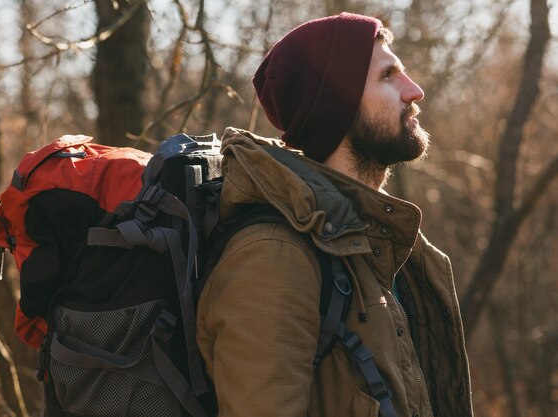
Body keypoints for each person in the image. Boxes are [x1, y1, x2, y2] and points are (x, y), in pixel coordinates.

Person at [196, 12, 473, 417]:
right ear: (336, 107)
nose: (415, 91)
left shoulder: (394, 246)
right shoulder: (273, 258)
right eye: (388, 76)